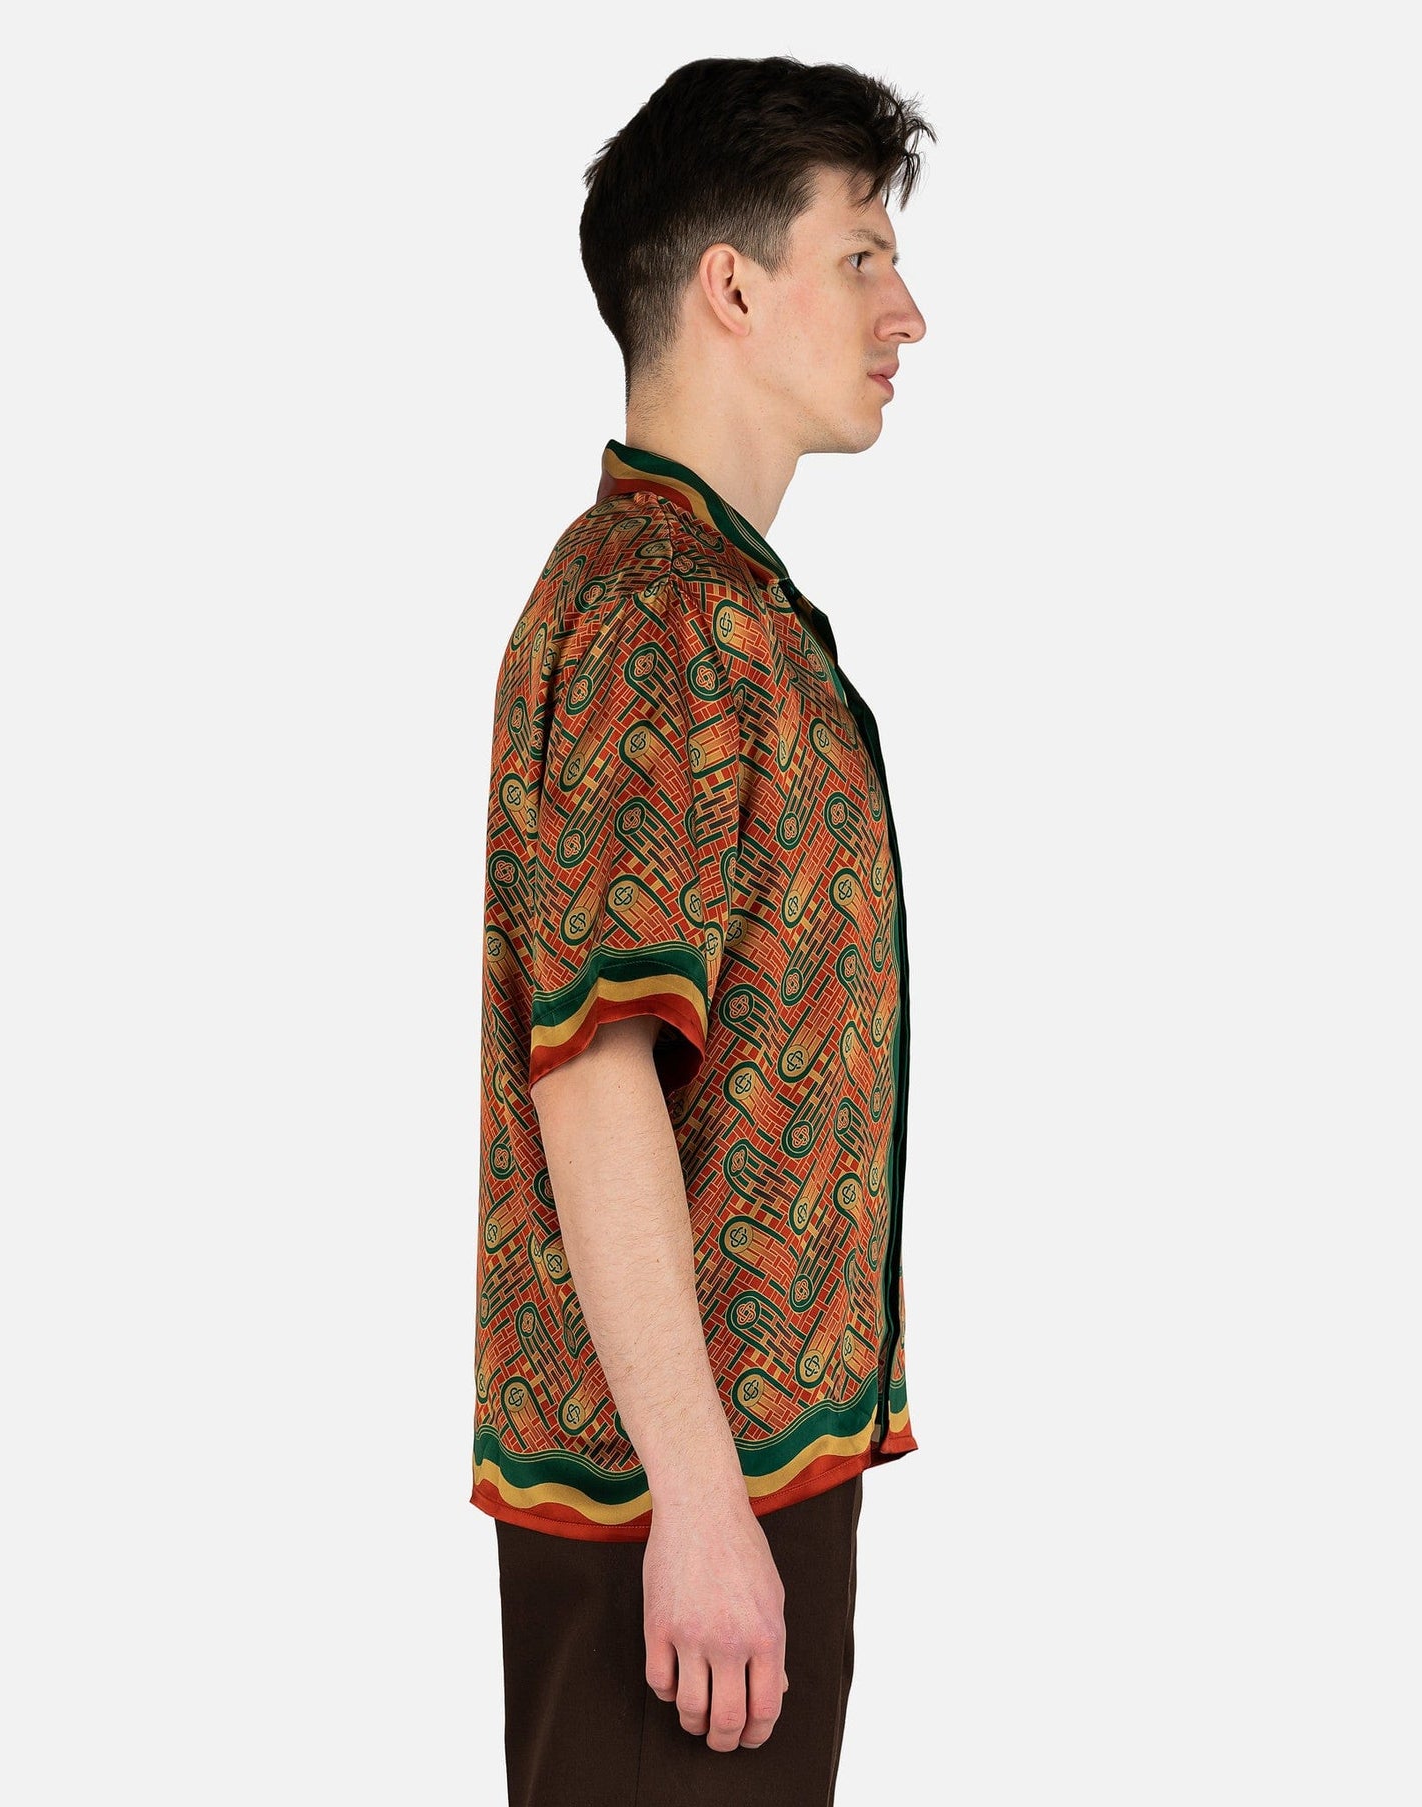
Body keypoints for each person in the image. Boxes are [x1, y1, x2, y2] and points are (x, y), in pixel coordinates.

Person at [470, 55, 933, 1807]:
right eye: (861, 256)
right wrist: (698, 1507)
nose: (905, 314)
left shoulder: (719, 602)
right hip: (670, 1504)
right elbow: (593, 1075)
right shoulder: (652, 611)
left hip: (734, 1479)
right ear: (732, 287)